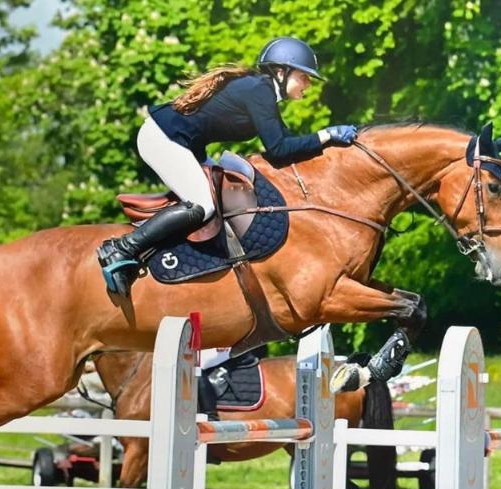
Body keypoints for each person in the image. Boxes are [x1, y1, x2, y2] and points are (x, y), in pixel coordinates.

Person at [98, 37, 359, 298]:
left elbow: (287, 145)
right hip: (163, 139)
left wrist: (326, 141)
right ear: (281, 72)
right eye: (304, 77)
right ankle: (121, 248)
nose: (308, 84)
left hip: (186, 144)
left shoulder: (262, 91)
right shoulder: (259, 91)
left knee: (228, 195)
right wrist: (326, 135)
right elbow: (278, 150)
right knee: (204, 205)